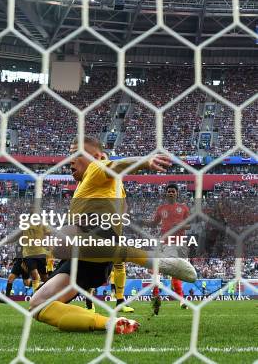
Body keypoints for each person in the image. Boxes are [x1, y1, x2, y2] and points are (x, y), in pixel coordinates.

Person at [28, 136, 196, 334]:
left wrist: (144, 162)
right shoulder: (90, 186)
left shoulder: (96, 168)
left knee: (60, 240)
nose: (70, 159)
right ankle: (109, 323)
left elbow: (116, 165)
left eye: (76, 153)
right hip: (86, 255)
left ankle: (153, 260)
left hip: (96, 242)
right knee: (38, 305)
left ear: (97, 156)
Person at [145, 183, 191, 309]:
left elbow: (189, 225)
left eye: (173, 191)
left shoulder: (184, 208)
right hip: (166, 242)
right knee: (157, 267)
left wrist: (180, 226)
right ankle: (155, 296)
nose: (171, 193)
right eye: (169, 191)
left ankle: (181, 301)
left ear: (177, 193)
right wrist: (142, 222)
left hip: (180, 243)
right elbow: (154, 224)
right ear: (166, 193)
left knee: (177, 272)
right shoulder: (161, 208)